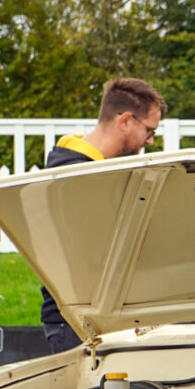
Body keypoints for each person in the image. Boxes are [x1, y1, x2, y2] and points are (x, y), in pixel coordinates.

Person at [40, 76, 167, 353]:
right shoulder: (76, 176)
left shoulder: (95, 169)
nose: (150, 140)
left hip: (95, 319)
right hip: (77, 323)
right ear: (125, 121)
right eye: (149, 130)